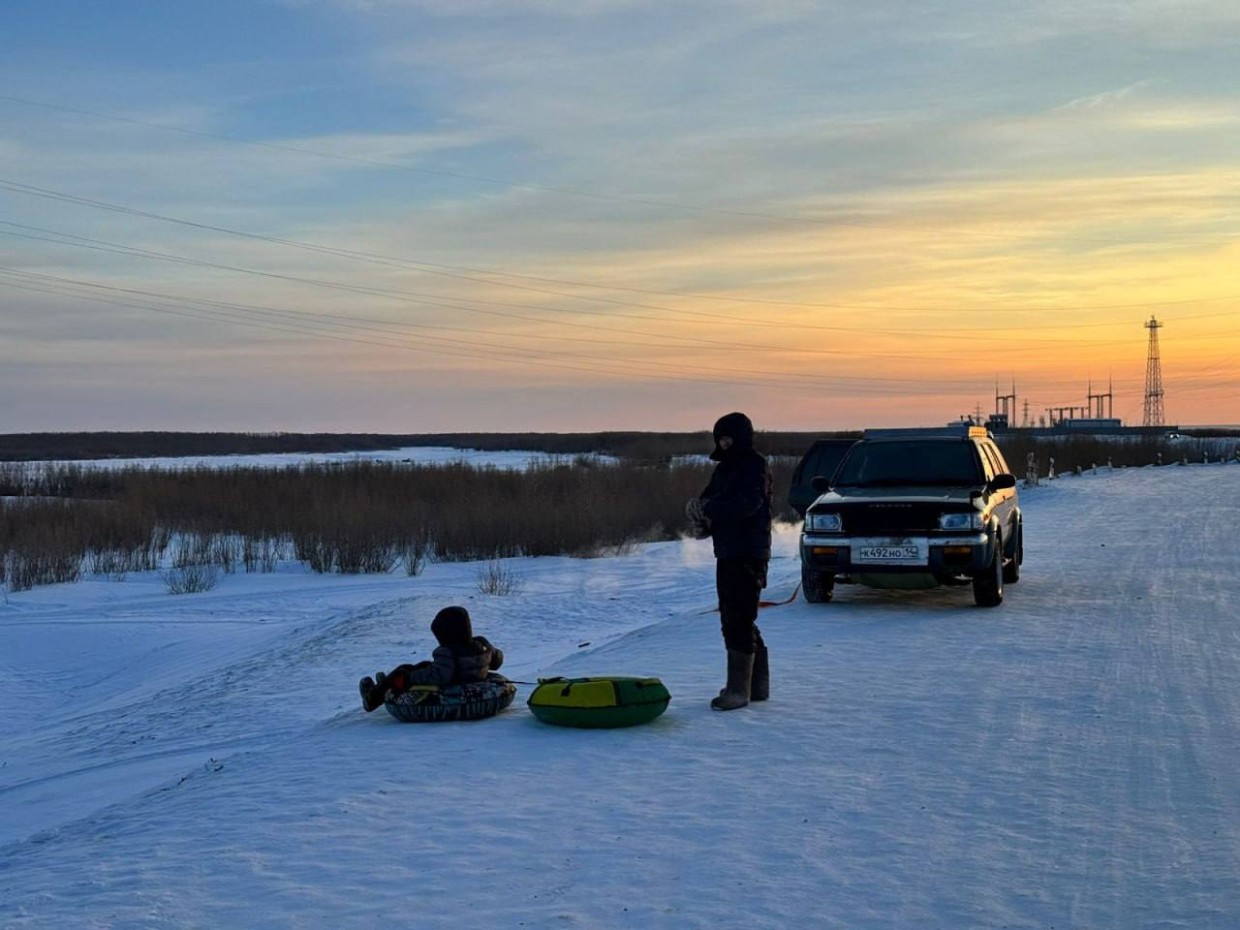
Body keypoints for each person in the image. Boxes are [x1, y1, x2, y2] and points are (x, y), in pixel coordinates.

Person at [686, 412, 773, 710]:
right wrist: (700, 515)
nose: (723, 443)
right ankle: (756, 685)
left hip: (749, 552)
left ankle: (739, 689)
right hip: (728, 550)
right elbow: (711, 500)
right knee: (735, 614)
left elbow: (746, 505)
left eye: (728, 437)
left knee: (738, 617)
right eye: (719, 437)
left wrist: (711, 508)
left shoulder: (754, 465)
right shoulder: (724, 469)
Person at [359, 605, 505, 712]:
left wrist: (411, 677)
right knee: (424, 664)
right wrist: (492, 652)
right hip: (468, 677)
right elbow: (497, 661)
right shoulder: (482, 645)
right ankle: (387, 683)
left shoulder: (448, 652)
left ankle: (373, 698)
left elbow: (440, 676)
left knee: (403, 673)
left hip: (452, 683)